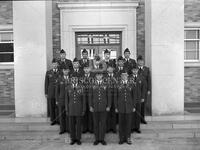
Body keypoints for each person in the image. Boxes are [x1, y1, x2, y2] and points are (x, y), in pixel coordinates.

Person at [89, 73, 111, 145]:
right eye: (97, 75)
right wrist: (90, 106)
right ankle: (97, 139)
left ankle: (102, 139)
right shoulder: (92, 84)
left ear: (102, 76)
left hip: (103, 107)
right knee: (95, 124)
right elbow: (90, 96)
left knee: (103, 124)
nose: (99, 76)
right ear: (95, 76)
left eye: (100, 75)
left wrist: (108, 106)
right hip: (95, 107)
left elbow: (109, 96)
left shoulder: (106, 84)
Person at [115, 73, 135, 145]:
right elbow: (116, 96)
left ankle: (128, 138)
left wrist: (134, 106)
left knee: (128, 124)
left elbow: (134, 96)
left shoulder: (131, 84)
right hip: (121, 107)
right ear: (121, 77)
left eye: (125, 75)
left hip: (129, 107)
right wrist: (116, 107)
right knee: (121, 124)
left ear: (127, 76)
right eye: (122, 75)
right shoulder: (118, 84)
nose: (124, 76)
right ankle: (121, 138)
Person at [65, 77, 85, 145]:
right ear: (71, 80)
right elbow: (66, 100)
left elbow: (83, 100)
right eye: (72, 79)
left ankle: (78, 139)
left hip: (79, 109)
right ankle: (72, 139)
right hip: (71, 109)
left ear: (77, 79)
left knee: (79, 125)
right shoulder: (68, 87)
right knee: (71, 125)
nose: (74, 80)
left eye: (75, 78)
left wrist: (83, 109)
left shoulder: (81, 87)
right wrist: (67, 109)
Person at [130, 67, 145, 134]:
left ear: (138, 70)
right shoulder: (129, 78)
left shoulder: (141, 77)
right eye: (133, 70)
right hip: (131, 98)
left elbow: (144, 88)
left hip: (139, 98)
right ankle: (132, 127)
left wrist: (142, 97)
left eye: (136, 70)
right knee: (132, 113)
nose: (135, 71)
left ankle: (137, 127)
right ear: (132, 70)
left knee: (138, 113)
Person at [45, 58, 59, 125]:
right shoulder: (48, 72)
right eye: (53, 64)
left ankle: (58, 120)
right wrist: (46, 92)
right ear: (52, 64)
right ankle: (53, 120)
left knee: (58, 107)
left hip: (58, 92)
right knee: (52, 106)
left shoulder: (61, 72)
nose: (55, 65)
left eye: (56, 64)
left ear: (57, 64)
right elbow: (46, 83)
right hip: (51, 92)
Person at [56, 68, 70, 134]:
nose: (66, 71)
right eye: (64, 70)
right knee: (61, 115)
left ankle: (68, 129)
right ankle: (62, 129)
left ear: (68, 71)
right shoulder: (59, 79)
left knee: (68, 115)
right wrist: (57, 100)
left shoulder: (71, 78)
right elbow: (57, 91)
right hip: (61, 100)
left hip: (70, 100)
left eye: (67, 70)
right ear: (63, 71)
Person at [137, 55, 151, 124]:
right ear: (137, 62)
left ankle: (142, 119)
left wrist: (149, 89)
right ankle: (137, 120)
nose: (141, 62)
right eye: (139, 61)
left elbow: (149, 80)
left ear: (143, 62)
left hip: (144, 90)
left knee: (143, 105)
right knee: (137, 105)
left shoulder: (146, 69)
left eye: (142, 61)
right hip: (136, 90)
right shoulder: (135, 69)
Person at [82, 66, 94, 133]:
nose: (86, 70)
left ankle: (90, 128)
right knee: (84, 113)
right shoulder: (81, 76)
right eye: (85, 68)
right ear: (83, 69)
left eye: (87, 68)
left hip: (91, 98)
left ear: (90, 69)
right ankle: (84, 128)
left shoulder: (93, 76)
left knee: (91, 114)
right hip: (83, 98)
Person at [105, 66, 117, 133]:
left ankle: (113, 128)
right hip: (107, 98)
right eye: (109, 68)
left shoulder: (116, 76)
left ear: (113, 69)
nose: (110, 69)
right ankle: (108, 127)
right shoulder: (104, 77)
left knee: (114, 113)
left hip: (114, 97)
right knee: (107, 114)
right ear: (107, 69)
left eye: (111, 68)